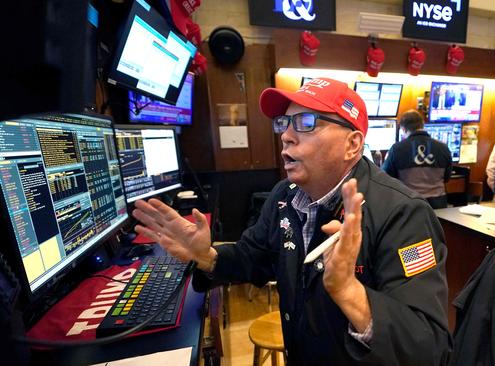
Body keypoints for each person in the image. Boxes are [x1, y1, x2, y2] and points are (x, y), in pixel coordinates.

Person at [132, 78, 452, 365]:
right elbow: (251, 257)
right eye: (284, 122)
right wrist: (207, 257)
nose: (285, 136)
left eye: (306, 122)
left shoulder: (404, 213)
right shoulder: (285, 196)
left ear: (353, 144)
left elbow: (427, 347)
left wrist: (349, 292)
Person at [382, 110, 452, 209]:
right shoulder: (443, 147)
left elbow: (386, 177)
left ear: (403, 129)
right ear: (422, 125)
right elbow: (447, 178)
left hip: (410, 205)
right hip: (439, 206)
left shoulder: (397, 149)